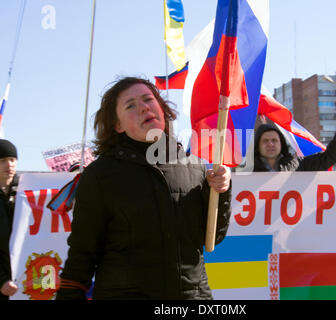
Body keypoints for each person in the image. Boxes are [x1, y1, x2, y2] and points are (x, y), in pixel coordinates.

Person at [56, 77, 232, 300]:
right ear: (117, 125)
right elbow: (83, 252)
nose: (144, 107)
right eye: (130, 105)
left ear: (162, 108)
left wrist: (221, 191)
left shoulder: (196, 167)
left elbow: (213, 237)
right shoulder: (100, 176)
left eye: (149, 99)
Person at [253, 114, 336, 172]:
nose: (270, 144)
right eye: (265, 141)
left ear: (281, 144)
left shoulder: (297, 165)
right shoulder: (247, 170)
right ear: (258, 145)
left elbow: (328, 157)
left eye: (274, 140)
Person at [0, 139, 19, 300]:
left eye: (12, 160)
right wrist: (1, 280)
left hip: (24, 279)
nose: (9, 165)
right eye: (3, 161)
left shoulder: (26, 194)